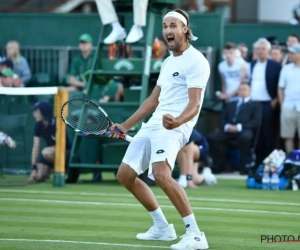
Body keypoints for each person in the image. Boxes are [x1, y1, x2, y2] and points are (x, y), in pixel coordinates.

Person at [109, 9, 210, 250]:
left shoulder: (197, 61)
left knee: (161, 175)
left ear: (185, 29)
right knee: (125, 175)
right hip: (155, 122)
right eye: (165, 26)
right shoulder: (167, 61)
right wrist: (125, 125)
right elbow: (153, 101)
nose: (167, 31)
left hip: (175, 125)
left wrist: (177, 121)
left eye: (173, 25)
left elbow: (195, 104)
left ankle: (196, 235)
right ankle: (163, 228)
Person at [207, 83, 262, 174]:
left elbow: (256, 121)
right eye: (240, 89)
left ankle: (243, 167)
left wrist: (239, 127)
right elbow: (222, 119)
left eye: (245, 89)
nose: (242, 91)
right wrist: (227, 126)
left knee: (246, 137)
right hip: (229, 130)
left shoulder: (255, 105)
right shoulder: (231, 103)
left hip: (244, 129)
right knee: (212, 137)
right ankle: (220, 164)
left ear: (250, 91)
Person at [249, 38, 281, 166]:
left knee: (268, 134)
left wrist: (277, 99)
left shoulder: (275, 66)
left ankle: (269, 163)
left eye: (263, 49)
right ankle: (257, 162)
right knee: (256, 134)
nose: (260, 51)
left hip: (268, 103)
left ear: (268, 50)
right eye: (258, 49)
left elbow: (280, 84)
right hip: (253, 104)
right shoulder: (251, 65)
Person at [27, 101, 72, 183]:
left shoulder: (57, 124)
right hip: (49, 155)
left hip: (65, 153)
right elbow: (35, 147)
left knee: (46, 152)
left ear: (44, 112)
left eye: (37, 111)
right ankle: (51, 170)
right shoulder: (38, 125)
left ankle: (62, 170)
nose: (34, 114)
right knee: (38, 177)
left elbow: (62, 145)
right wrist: (34, 168)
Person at [278, 44, 300, 152]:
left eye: (293, 53)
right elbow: (280, 88)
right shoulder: (285, 69)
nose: (290, 55)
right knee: (288, 136)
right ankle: (291, 163)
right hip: (288, 107)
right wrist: (282, 105)